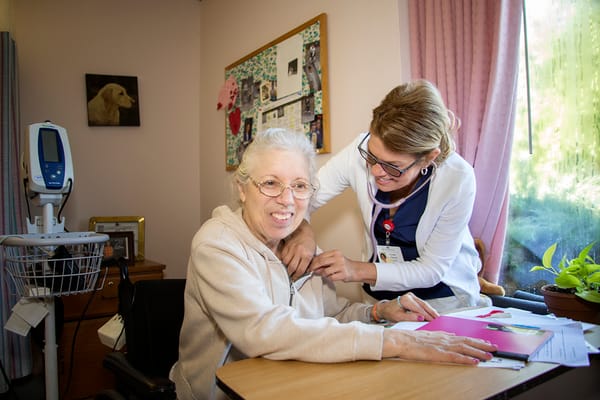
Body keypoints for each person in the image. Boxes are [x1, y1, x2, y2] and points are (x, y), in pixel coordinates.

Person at [169, 128, 496, 400]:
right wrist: (393, 341)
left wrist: (379, 313)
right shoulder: (216, 245)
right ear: (242, 189)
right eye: (270, 183)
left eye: (299, 186)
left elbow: (332, 313)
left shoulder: (298, 244)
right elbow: (263, 331)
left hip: (291, 383)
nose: (287, 199)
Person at [282, 80, 485, 313]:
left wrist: (354, 270)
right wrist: (303, 231)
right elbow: (304, 198)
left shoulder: (457, 178)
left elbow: (431, 269)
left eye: (393, 166)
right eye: (372, 156)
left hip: (441, 299)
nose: (377, 171)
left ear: (428, 158)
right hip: (379, 298)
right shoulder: (358, 150)